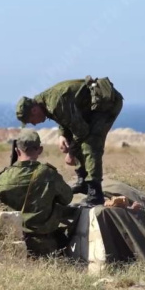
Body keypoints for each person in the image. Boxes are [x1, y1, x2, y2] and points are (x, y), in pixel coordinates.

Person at [15, 76, 123, 206]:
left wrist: (71, 153)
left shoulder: (54, 103)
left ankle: (95, 192)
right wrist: (63, 135)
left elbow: (82, 131)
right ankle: (83, 181)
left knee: (90, 143)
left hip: (106, 105)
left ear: (34, 110)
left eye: (31, 120)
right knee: (75, 139)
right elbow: (65, 118)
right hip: (87, 108)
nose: (33, 124)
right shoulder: (44, 103)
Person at [0, 129, 75, 257]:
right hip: (46, 245)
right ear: (40, 150)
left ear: (17, 151)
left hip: (12, 244)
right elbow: (67, 198)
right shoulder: (49, 174)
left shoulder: (3, 177)